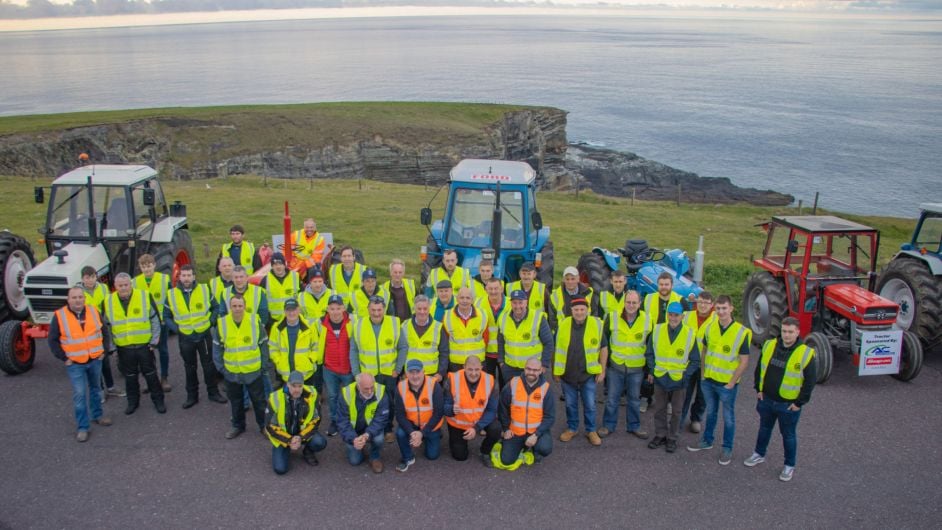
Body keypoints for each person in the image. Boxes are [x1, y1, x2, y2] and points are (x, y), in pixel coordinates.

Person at [744, 317, 816, 482]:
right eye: (784, 331)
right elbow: (759, 368)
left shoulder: (805, 353)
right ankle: (759, 454)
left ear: (797, 332)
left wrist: (799, 403)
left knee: (788, 435)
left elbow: (810, 382)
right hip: (767, 399)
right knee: (764, 428)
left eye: (790, 332)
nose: (787, 335)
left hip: (788, 405)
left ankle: (789, 465)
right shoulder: (770, 345)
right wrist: (758, 389)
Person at [687, 295, 752, 465]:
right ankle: (707, 441)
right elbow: (704, 352)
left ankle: (727, 448)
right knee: (711, 413)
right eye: (718, 308)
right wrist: (703, 375)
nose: (721, 312)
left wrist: (732, 383)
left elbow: (744, 361)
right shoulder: (710, 328)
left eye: (724, 308)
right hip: (709, 380)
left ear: (731, 309)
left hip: (726, 384)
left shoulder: (741, 332)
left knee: (728, 417)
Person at [49, 286, 112, 442]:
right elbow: (52, 340)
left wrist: (104, 350)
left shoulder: (92, 311)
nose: (78, 300)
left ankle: (97, 415)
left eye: (80, 297)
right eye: (74, 297)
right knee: (80, 395)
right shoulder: (59, 316)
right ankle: (83, 427)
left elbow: (104, 331)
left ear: (84, 298)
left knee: (96, 389)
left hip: (95, 359)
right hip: (75, 363)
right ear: (68, 299)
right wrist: (64, 358)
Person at [164, 264, 226, 409]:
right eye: (183, 275)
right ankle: (192, 396)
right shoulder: (171, 294)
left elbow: (216, 307)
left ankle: (213, 392)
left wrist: (211, 322)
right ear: (179, 277)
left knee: (208, 366)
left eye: (189, 275)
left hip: (203, 335)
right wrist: (177, 329)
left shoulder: (204, 289)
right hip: (185, 337)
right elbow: (166, 316)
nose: (186, 278)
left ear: (193, 276)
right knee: (189, 367)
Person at [103, 273, 165, 415]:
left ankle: (158, 400)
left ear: (131, 284)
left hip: (144, 346)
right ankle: (133, 402)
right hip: (124, 347)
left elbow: (155, 319)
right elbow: (106, 327)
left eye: (126, 285)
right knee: (130, 377)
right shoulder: (108, 301)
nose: (123, 288)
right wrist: (112, 347)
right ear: (115, 286)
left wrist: (154, 341)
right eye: (120, 285)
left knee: (151, 374)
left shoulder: (144, 296)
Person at [645, 302, 699, 454]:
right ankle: (660, 434)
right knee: (659, 409)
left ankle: (672, 438)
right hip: (661, 377)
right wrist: (653, 370)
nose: (673, 318)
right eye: (670, 314)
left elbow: (695, 360)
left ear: (682, 316)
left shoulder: (689, 333)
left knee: (676, 411)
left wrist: (685, 376)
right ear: (667, 315)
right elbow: (649, 353)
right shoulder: (657, 330)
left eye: (676, 315)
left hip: (678, 380)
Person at [350, 297, 405, 442]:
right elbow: (353, 351)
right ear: (368, 309)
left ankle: (388, 429)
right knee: (369, 402)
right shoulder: (358, 325)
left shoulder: (394, 323)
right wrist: (357, 373)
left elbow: (403, 347)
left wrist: (398, 369)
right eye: (373, 310)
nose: (376, 313)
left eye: (379, 309)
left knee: (390, 402)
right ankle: (370, 429)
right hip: (368, 375)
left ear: (384, 309)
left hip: (389, 373)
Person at [213, 295, 269, 439]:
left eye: (240, 306)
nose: (237, 309)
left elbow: (263, 344)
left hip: (253, 371)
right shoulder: (222, 323)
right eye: (234, 306)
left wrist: (262, 366)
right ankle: (238, 426)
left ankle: (263, 426)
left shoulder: (254, 321)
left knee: (259, 401)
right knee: (236, 402)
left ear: (245, 306)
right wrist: (222, 368)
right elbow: (217, 348)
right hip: (232, 372)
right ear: (230, 307)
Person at [554, 298, 606, 446]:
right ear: (572, 311)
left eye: (582, 309)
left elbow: (603, 348)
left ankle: (591, 430)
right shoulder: (563, 324)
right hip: (567, 374)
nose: (579, 312)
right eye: (576, 309)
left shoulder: (596, 324)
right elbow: (555, 347)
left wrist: (602, 370)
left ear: (587, 310)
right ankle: (572, 428)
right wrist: (555, 371)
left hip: (588, 374)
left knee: (590, 405)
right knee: (570, 404)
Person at [599, 290, 651, 440]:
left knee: (634, 399)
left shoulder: (648, 320)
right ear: (624, 302)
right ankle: (608, 425)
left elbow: (649, 346)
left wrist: (648, 370)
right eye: (628, 302)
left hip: (636, 368)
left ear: (639, 304)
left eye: (634, 303)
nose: (631, 305)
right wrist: (605, 365)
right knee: (612, 399)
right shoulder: (612, 318)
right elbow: (605, 342)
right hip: (616, 366)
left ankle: (634, 426)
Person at [265, 371, 328, 475]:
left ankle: (307, 451)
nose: (297, 390)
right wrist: (289, 440)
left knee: (320, 442)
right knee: (280, 469)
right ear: (288, 384)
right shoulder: (275, 398)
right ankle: (285, 449)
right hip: (283, 437)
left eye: (300, 386)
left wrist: (300, 437)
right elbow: (270, 426)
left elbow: (315, 420)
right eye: (294, 386)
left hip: (302, 433)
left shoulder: (312, 395)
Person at [640, 272, 686, 412]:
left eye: (666, 284)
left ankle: (669, 402)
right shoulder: (648, 298)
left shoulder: (680, 300)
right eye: (661, 284)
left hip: (672, 341)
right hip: (652, 339)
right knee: (649, 371)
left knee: (669, 372)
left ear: (672, 285)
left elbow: (687, 321)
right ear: (657, 285)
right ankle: (645, 398)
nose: (664, 287)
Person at [497, 357, 555, 466]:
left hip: (536, 431)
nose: (531, 372)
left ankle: (534, 449)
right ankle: (521, 445)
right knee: (506, 460)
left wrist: (536, 434)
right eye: (529, 369)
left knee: (545, 448)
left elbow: (550, 417)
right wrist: (506, 429)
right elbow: (502, 408)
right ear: (524, 369)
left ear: (541, 370)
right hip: (515, 431)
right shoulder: (513, 384)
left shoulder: (546, 388)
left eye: (535, 370)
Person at [444, 356, 500, 466]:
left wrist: (476, 428)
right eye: (470, 369)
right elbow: (444, 406)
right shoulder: (452, 379)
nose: (473, 373)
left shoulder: (491, 381)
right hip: (458, 423)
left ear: (481, 368)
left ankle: (485, 451)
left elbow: (492, 410)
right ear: (464, 367)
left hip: (479, 421)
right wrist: (451, 409)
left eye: (477, 370)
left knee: (496, 428)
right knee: (460, 457)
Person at [394, 359, 445, 472]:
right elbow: (400, 415)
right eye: (411, 372)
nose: (415, 376)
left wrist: (422, 433)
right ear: (406, 374)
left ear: (424, 372)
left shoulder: (434, 385)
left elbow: (438, 413)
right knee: (400, 433)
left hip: (430, 424)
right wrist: (412, 432)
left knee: (432, 456)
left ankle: (429, 436)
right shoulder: (400, 387)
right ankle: (408, 457)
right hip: (411, 424)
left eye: (418, 372)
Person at [79, 266, 122, 399]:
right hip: (88, 331)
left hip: (103, 327)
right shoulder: (79, 292)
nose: (90, 280)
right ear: (82, 279)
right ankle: (100, 390)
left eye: (92, 277)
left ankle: (111, 387)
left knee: (105, 361)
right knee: (94, 363)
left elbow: (109, 304)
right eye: (87, 278)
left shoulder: (103, 288)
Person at [133, 253, 172, 392]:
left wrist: (168, 318)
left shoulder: (164, 279)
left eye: (149, 266)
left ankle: (164, 377)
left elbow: (170, 299)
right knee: (147, 353)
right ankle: (151, 379)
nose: (147, 269)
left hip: (161, 321)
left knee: (163, 350)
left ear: (154, 265)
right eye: (144, 266)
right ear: (140, 267)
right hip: (144, 323)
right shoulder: (135, 282)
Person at [336, 373, 389, 473]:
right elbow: (342, 421)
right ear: (358, 385)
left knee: (379, 439)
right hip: (353, 431)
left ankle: (374, 456)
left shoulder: (381, 392)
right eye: (366, 388)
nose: (370, 391)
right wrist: (353, 439)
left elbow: (381, 419)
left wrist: (367, 434)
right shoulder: (346, 394)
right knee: (355, 461)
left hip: (371, 429)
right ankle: (359, 446)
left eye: (371, 387)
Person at [318, 294, 355, 437]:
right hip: (329, 369)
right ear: (327, 309)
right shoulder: (321, 325)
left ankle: (348, 420)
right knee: (332, 397)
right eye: (332, 309)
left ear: (343, 308)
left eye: (338, 308)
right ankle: (334, 421)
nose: (335, 312)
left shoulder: (352, 323)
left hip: (348, 369)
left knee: (348, 397)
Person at [497, 289, 553, 383]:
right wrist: (502, 362)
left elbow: (548, 342)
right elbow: (501, 341)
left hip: (532, 369)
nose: (517, 306)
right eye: (514, 303)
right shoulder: (503, 317)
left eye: (520, 302)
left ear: (526, 302)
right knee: (513, 396)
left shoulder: (538, 318)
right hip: (510, 369)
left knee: (532, 396)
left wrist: (544, 364)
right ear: (511, 303)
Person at [680, 291, 716, 434]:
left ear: (711, 305)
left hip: (706, 364)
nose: (702, 305)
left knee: (703, 395)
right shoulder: (687, 316)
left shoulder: (716, 320)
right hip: (688, 362)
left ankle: (696, 419)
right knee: (684, 393)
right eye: (700, 302)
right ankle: (679, 420)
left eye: (706, 303)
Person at [268, 299, 321, 387]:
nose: (291, 313)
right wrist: (278, 361)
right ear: (284, 311)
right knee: (288, 399)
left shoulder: (310, 327)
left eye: (294, 310)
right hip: (286, 374)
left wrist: (311, 360)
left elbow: (316, 347)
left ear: (299, 310)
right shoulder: (276, 328)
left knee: (308, 399)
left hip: (306, 373)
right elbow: (273, 348)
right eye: (288, 310)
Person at [399, 295, 449, 383]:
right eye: (419, 309)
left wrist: (440, 373)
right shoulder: (404, 326)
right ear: (414, 309)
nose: (422, 312)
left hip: (432, 375)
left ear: (429, 309)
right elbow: (399, 351)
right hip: (410, 374)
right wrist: (402, 372)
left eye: (425, 309)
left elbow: (444, 352)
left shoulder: (438, 327)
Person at [442, 287, 489, 372]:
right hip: (456, 363)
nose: (465, 301)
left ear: (472, 300)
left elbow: (486, 338)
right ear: (457, 299)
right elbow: (445, 340)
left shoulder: (483, 315)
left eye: (468, 298)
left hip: (477, 363)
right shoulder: (447, 316)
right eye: (462, 297)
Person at [481, 278, 510, 380]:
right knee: (488, 384)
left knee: (505, 384)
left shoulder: (511, 304)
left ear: (501, 289)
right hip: (486, 353)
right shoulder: (478, 304)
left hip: (506, 352)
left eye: (496, 288)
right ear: (486, 289)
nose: (493, 291)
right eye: (490, 288)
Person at [260, 252, 300, 325]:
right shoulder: (265, 280)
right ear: (272, 266)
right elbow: (261, 302)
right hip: (274, 321)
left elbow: (303, 297)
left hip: (293, 319)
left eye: (280, 264)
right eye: (275, 264)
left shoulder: (295, 277)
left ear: (284, 264)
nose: (278, 267)